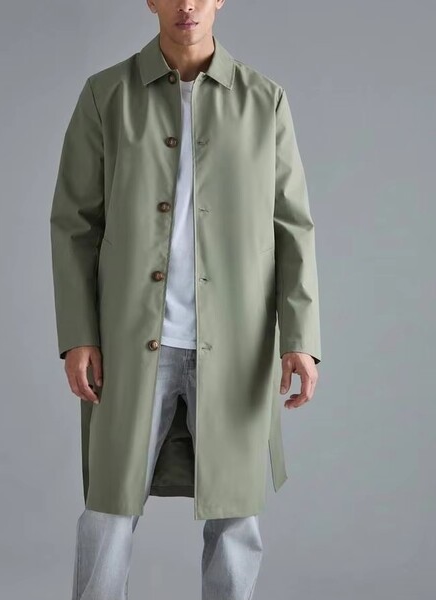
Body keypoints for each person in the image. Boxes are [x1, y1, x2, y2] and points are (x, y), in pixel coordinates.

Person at [50, 1, 321, 598]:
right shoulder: (106, 95)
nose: (188, 5)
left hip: (237, 344)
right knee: (109, 506)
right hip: (128, 340)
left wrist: (301, 339)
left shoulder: (264, 100)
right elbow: (74, 223)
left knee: (236, 511)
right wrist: (79, 333)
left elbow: (292, 227)